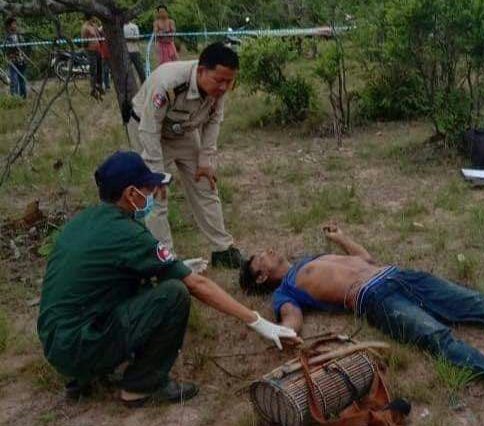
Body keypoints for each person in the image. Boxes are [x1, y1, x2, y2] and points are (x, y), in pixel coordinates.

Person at [37, 151, 298, 407]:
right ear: (131, 194)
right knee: (174, 294)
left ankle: (85, 373)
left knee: (144, 282)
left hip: (56, 342)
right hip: (78, 345)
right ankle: (141, 386)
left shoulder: (82, 222)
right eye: (148, 188)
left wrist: (174, 265)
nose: (154, 193)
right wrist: (257, 321)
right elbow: (197, 285)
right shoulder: (127, 233)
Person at [241, 223, 484, 401]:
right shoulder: (285, 292)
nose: (268, 251)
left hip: (398, 275)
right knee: (435, 337)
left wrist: (341, 238)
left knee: (481, 306)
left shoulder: (308, 259)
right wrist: (284, 332)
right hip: (374, 299)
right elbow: (291, 320)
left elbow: (366, 259)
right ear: (260, 276)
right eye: (261, 257)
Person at [127, 42, 243, 268]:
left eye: (229, 82)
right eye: (219, 80)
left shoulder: (219, 89)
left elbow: (213, 121)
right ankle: (165, 259)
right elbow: (149, 129)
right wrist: (156, 175)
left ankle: (222, 249)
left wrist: (205, 161)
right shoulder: (168, 83)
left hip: (183, 131)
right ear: (201, 71)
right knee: (156, 195)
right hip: (148, 130)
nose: (224, 87)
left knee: (205, 184)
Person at [4, 17, 27, 99]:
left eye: (15, 24)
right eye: (13, 24)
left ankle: (23, 98)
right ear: (9, 26)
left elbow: (24, 45)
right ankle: (15, 99)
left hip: (22, 60)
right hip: (13, 61)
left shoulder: (19, 35)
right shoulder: (7, 36)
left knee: (22, 80)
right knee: (14, 80)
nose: (15, 25)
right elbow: (7, 48)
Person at [81, 14, 103, 98]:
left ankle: (99, 86)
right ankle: (93, 88)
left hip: (98, 50)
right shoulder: (85, 27)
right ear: (90, 18)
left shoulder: (94, 25)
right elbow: (84, 41)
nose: (94, 18)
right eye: (93, 17)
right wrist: (87, 48)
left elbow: (99, 35)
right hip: (90, 51)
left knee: (99, 68)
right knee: (94, 69)